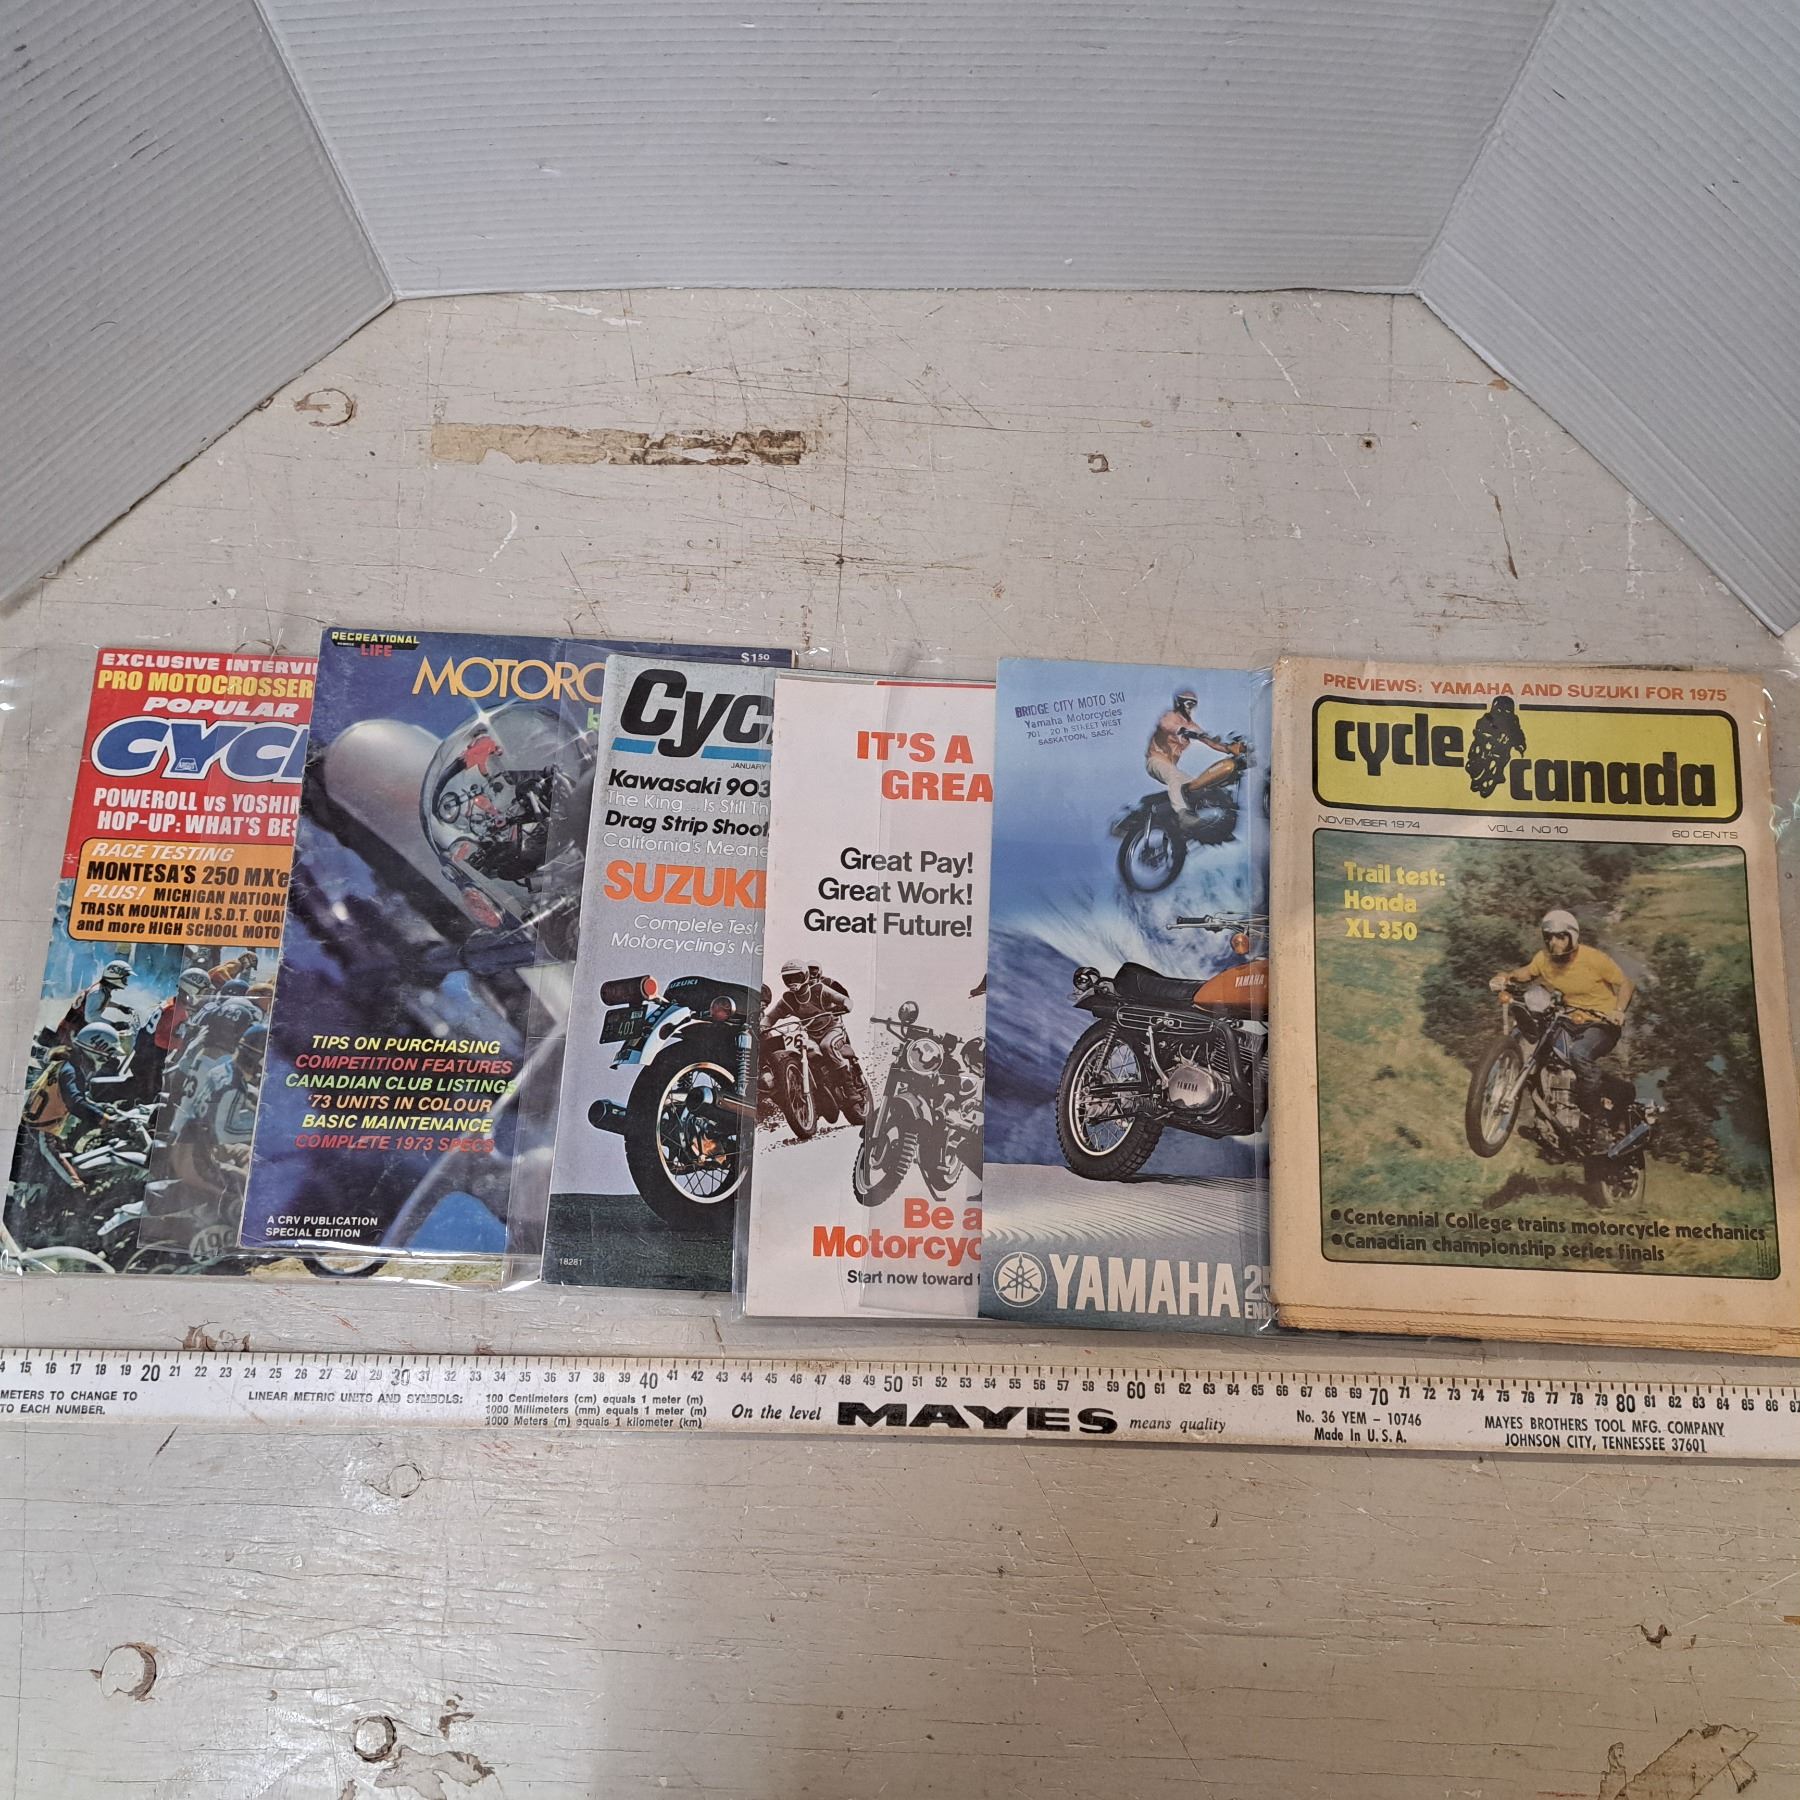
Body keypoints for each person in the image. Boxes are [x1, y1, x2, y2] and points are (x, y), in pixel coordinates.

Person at [1490, 908, 1635, 1118]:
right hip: (1567, 1018)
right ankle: (1548, 1107)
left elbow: (1626, 983)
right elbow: (1526, 973)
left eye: (1560, 937)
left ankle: (1594, 1114)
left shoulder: (1593, 959)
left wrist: (1618, 1011)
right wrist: (1506, 977)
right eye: (1549, 937)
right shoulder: (1544, 959)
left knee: (1579, 1054)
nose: (1554, 942)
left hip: (1601, 1023)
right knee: (1539, 1044)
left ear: (1572, 937)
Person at [1145, 689, 1242, 823]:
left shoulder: (1190, 725)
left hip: (1170, 766)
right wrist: (1184, 731)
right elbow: (1166, 725)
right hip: (1156, 760)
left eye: (1193, 705)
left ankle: (1195, 819)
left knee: (1196, 786)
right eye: (1189, 704)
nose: (1191, 708)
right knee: (1174, 777)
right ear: (1179, 703)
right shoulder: (1171, 717)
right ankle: (1182, 814)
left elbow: (1208, 740)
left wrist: (1228, 748)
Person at [764, 960, 860, 1081]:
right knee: (810, 1052)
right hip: (810, 1033)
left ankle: (848, 1086)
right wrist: (763, 1025)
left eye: (796, 977)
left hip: (831, 1028)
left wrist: (845, 1005)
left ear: (805, 975)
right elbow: (770, 1017)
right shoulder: (788, 999)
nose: (792, 981)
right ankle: (819, 1080)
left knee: (827, 1046)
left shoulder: (820, 989)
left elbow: (843, 999)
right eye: (788, 978)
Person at [51, 959, 134, 1044]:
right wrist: (113, 1025)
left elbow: (101, 1002)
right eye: (124, 978)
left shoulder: (101, 990)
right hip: (70, 1032)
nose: (126, 981)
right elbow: (90, 1017)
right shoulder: (97, 993)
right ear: (115, 976)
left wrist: (119, 1007)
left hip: (77, 1029)